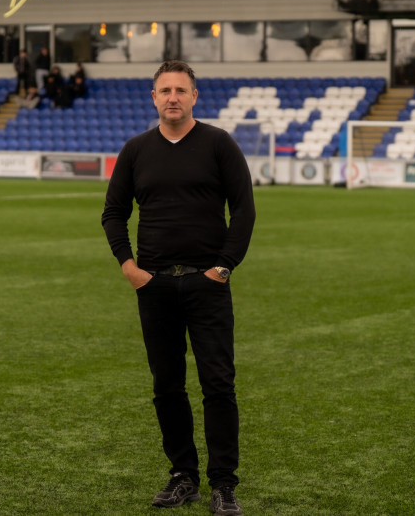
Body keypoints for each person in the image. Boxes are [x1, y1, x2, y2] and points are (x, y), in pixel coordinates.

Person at [101, 60, 255, 515]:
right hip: (155, 287)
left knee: (218, 385)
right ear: (153, 98)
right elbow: (113, 212)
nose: (172, 97)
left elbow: (243, 210)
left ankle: (223, 485)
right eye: (164, 90)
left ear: (194, 96)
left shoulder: (218, 144)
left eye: (180, 90)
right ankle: (182, 476)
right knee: (167, 386)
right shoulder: (136, 150)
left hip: (207, 285)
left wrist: (223, 267)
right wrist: (129, 267)